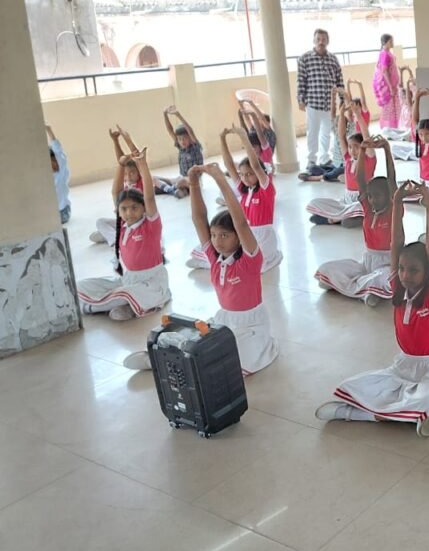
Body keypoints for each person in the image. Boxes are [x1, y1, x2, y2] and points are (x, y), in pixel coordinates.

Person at [315, 180, 429, 438]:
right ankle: (418, 413)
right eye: (401, 269)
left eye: (413, 270)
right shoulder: (398, 290)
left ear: (428, 273)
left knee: (427, 396)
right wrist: (397, 202)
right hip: (402, 367)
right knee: (352, 386)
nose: (405, 275)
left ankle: (357, 414)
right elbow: (396, 243)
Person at [124, 163, 279, 373]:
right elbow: (199, 220)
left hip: (251, 327)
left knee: (234, 356)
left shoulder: (250, 260)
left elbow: (241, 222)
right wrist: (194, 184)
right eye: (214, 235)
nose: (217, 241)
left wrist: (219, 179)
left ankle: (180, 361)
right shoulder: (215, 260)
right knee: (196, 338)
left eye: (224, 235)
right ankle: (159, 359)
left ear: (239, 238)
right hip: (225, 320)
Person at [77, 147, 171, 320]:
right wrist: (120, 166)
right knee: (81, 285)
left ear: (143, 208)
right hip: (129, 279)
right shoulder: (122, 225)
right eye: (124, 209)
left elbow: (149, 197)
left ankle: (92, 307)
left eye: (135, 208)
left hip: (152, 283)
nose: (129, 213)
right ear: (118, 211)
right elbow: (116, 192)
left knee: (125, 295)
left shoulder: (150, 225)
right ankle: (119, 305)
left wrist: (142, 164)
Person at [187, 125, 282, 271]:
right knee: (223, 251)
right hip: (248, 235)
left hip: (264, 236)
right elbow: (229, 165)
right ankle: (206, 260)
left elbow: (256, 165)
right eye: (242, 174)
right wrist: (222, 139)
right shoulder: (245, 191)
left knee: (252, 265)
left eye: (249, 174)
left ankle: (206, 262)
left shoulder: (266, 190)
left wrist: (243, 137)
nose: (245, 178)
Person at [315, 137, 397, 305]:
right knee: (325, 271)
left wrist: (387, 150)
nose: (373, 200)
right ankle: (364, 291)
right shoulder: (367, 207)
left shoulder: (393, 210)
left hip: (386, 264)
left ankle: (359, 288)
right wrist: (361, 151)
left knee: (385, 280)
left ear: (389, 196)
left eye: (378, 196)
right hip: (367, 262)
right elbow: (360, 179)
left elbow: (392, 178)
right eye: (370, 196)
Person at [306, 102, 376, 226]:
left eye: (356, 147)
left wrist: (358, 115)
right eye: (350, 147)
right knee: (313, 202)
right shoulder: (348, 159)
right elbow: (341, 135)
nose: (352, 150)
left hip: (362, 201)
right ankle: (340, 217)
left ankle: (332, 219)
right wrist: (342, 112)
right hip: (347, 199)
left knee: (356, 210)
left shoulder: (369, 159)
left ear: (363, 146)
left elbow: (366, 136)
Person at [297, 28, 344, 177]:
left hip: (329, 105)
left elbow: (339, 79)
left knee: (326, 133)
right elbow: (301, 80)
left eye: (324, 39)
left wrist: (342, 99)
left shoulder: (333, 59)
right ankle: (311, 160)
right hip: (313, 102)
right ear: (314, 40)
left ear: (328, 41)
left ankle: (324, 159)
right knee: (312, 133)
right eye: (318, 39)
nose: (321, 42)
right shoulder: (305, 58)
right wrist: (300, 99)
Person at [91, 126, 143, 246]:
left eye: (132, 172)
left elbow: (139, 160)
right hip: (125, 220)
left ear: (138, 173)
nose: (129, 176)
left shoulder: (141, 183)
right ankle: (114, 238)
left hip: (138, 220)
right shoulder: (124, 186)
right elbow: (121, 161)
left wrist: (128, 140)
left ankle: (115, 235)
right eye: (125, 174)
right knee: (100, 222)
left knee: (98, 234)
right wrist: (115, 141)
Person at [153, 105, 203, 198]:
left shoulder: (195, 147)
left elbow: (190, 130)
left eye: (185, 138)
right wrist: (165, 114)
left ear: (190, 138)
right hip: (182, 177)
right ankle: (176, 190)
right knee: (154, 179)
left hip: (194, 180)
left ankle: (171, 189)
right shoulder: (181, 148)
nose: (182, 141)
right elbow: (170, 130)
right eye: (179, 139)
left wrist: (178, 115)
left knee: (182, 182)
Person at [238, 98, 276, 169]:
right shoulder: (253, 129)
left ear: (266, 122)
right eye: (257, 118)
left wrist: (251, 104)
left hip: (266, 156)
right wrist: (241, 106)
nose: (257, 120)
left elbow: (262, 118)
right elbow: (247, 119)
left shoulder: (268, 131)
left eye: (259, 119)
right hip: (257, 156)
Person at [373, 33, 401, 131]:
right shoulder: (384, 54)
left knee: (394, 107)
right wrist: (390, 87)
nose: (392, 43)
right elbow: (384, 71)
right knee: (389, 109)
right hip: (389, 88)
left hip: (393, 86)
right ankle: (389, 129)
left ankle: (394, 128)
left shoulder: (387, 53)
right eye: (390, 41)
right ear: (385, 42)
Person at [46, 125, 71, 224]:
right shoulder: (47, 177)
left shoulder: (62, 171)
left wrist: (49, 130)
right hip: (50, 212)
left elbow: (58, 149)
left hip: (63, 212)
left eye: (54, 161)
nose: (54, 164)